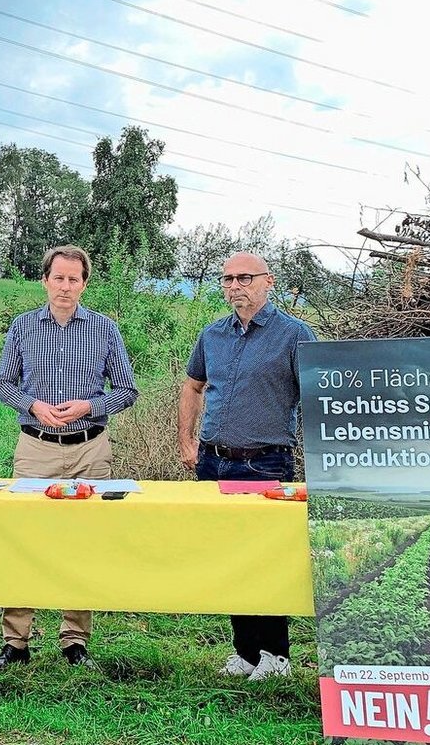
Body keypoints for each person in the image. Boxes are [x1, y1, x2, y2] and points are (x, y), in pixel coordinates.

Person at [0, 245, 139, 669]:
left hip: (90, 450)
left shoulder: (105, 329)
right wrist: (33, 405)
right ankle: (16, 642)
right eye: (58, 277)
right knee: (23, 539)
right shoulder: (23, 327)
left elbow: (127, 390)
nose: (65, 286)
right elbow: (2, 384)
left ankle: (75, 640)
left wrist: (90, 406)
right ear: (45, 281)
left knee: (83, 543)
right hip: (36, 448)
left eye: (74, 279)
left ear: (84, 284)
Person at [177, 251, 316, 681]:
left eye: (245, 278)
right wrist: (186, 440)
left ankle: (276, 656)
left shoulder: (294, 335)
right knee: (230, 558)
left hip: (265, 464)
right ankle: (246, 653)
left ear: (268, 281)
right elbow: (193, 386)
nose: (235, 286)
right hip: (213, 464)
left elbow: (316, 396)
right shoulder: (212, 335)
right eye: (228, 279)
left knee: (263, 558)